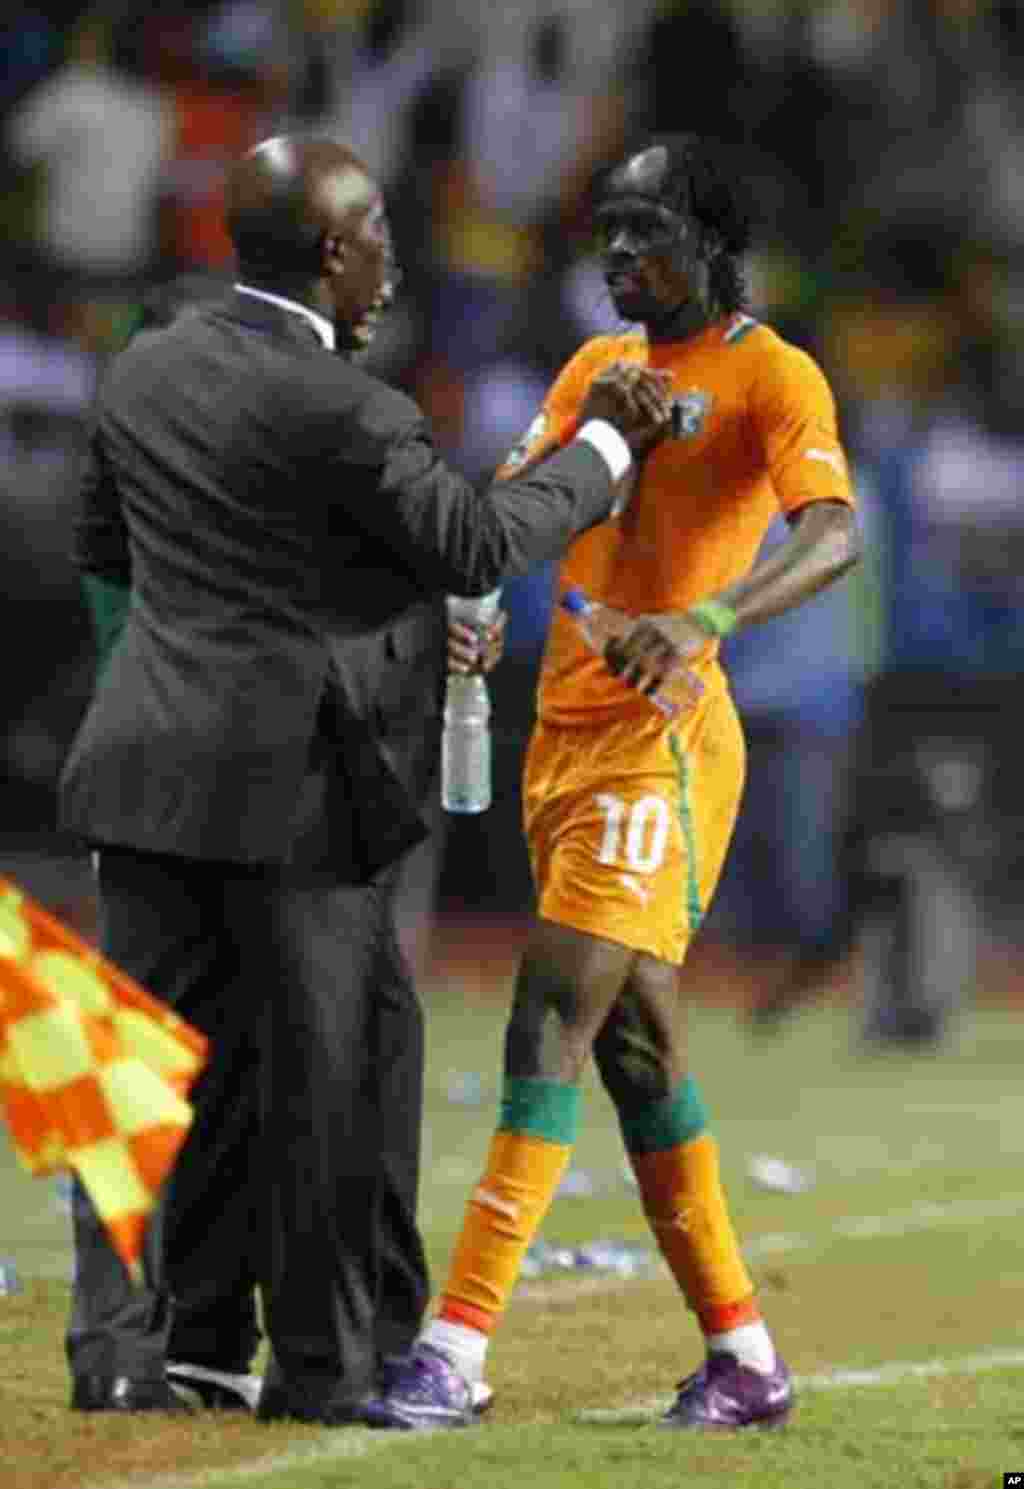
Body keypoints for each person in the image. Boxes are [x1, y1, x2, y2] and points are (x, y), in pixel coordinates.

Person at [57, 132, 675, 1423]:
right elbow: (478, 540)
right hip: (294, 788)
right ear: (334, 252)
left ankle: (131, 1351)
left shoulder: (144, 370)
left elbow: (116, 551)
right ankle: (328, 1368)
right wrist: (608, 446)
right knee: (331, 1079)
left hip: (142, 770)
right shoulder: (349, 405)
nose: (394, 261)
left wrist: (162, 687)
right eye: (381, 233)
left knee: (124, 1075)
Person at [369, 133, 860, 1433]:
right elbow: (515, 505)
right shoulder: (595, 368)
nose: (619, 255)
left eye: (647, 231)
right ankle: (745, 1359)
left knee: (547, 1018)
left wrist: (709, 620)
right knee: (638, 1055)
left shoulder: (772, 373)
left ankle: (454, 1349)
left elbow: (835, 531)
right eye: (609, 233)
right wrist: (478, 605)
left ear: (714, 244)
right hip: (563, 732)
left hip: (660, 742)